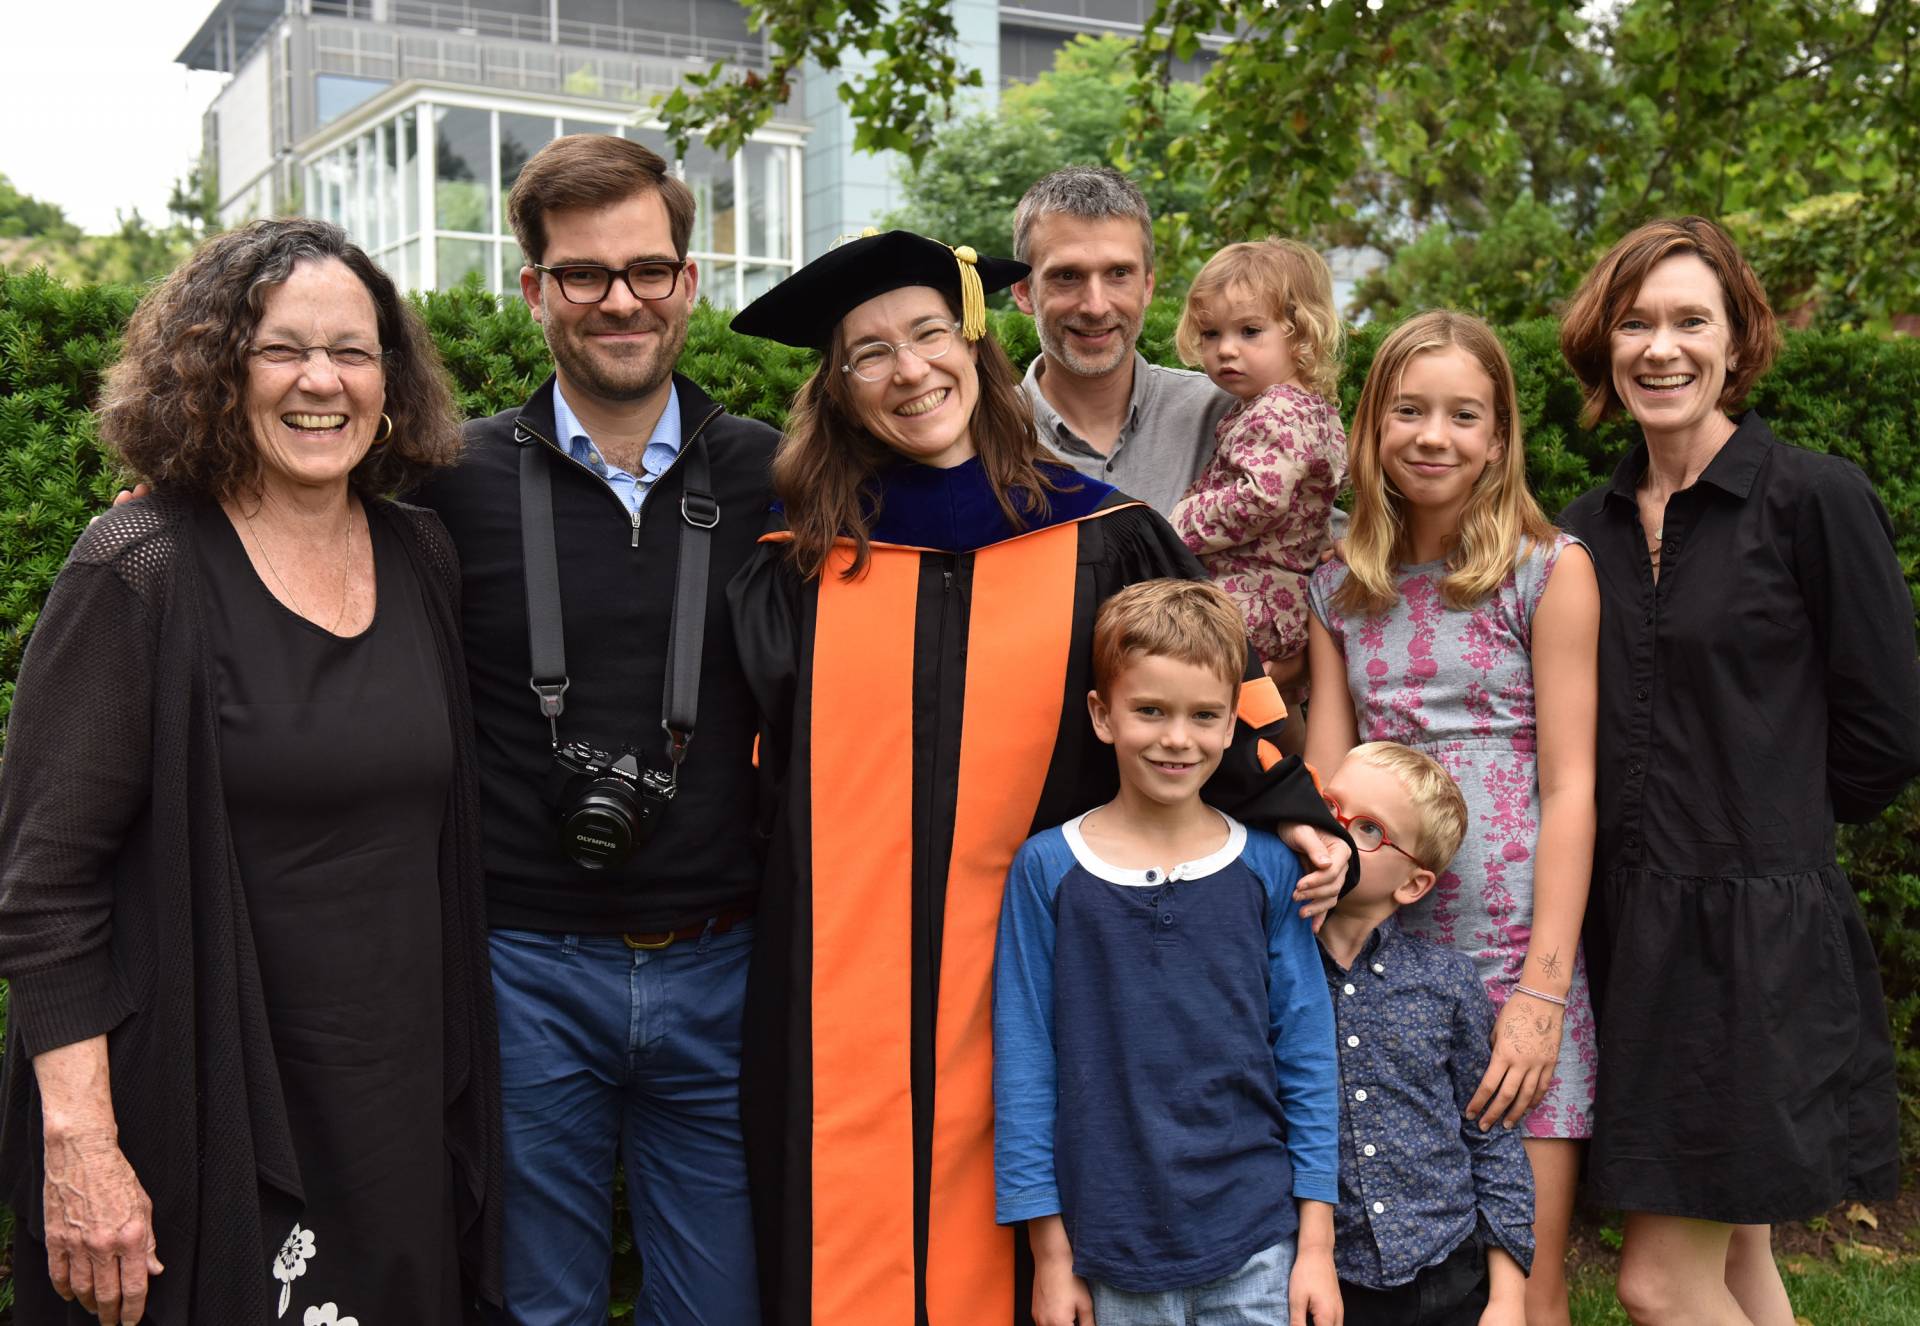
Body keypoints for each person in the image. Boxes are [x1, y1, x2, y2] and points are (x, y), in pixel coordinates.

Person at [725, 228, 1355, 1326]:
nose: (910, 370)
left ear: (974, 341)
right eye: (870, 352)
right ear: (838, 384)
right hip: (833, 985)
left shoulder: (1100, 535)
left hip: (1040, 965)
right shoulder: (799, 563)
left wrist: (1293, 808)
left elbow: (1210, 685)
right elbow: (754, 774)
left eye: (930, 334)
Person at [0, 218, 499, 1323]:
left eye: (353, 351)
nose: (322, 381)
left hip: (396, 1113)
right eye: (282, 349)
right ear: (217, 370)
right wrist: (82, 1146)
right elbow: (44, 890)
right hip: (204, 1109)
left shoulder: (421, 554)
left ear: (389, 380)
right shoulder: (139, 569)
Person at [408, 134, 778, 1325]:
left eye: (648, 269)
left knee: (723, 1310)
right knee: (536, 1309)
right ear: (534, 289)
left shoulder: (778, 475)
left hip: (725, 964)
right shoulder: (443, 478)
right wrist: (177, 505)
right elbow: (285, 522)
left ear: (689, 280)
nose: (621, 300)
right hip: (522, 970)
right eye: (583, 273)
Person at [1556, 217, 1920, 1326]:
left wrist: (1769, 834)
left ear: (1737, 340)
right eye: (1636, 323)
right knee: (1736, 1263)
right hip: (1630, 934)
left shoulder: (1814, 499)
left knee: (1660, 1285)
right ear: (1605, 345)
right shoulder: (1583, 531)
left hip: (1758, 943)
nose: (1661, 348)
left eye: (1690, 322)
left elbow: (1887, 729)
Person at [1305, 310, 1599, 1326]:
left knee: (1526, 1289)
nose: (1434, 436)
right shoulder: (1337, 587)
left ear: (1499, 434)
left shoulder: (1549, 569)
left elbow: (1570, 788)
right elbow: (1324, 790)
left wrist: (1543, 993)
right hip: (1378, 970)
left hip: (1513, 961)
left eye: (1463, 415)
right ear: (1372, 426)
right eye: (1409, 410)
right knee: (1382, 1270)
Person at [993, 578, 1343, 1326]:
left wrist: (1315, 1245)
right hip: (1110, 1250)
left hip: (1258, 1242)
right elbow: (1024, 1065)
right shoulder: (1047, 870)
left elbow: (1307, 1055)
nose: (1177, 738)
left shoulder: (1268, 869)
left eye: (1203, 716)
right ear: (1103, 715)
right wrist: (1049, 1255)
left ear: (1231, 724)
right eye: (1150, 710)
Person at [1315, 742, 1534, 1326]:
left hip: (1446, 1273)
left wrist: (1508, 1297)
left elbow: (1490, 1135)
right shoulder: (1275, 971)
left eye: (1368, 829)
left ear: (1412, 885)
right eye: (1329, 807)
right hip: (1329, 1280)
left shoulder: (1446, 982)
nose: (1336, 832)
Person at [1168, 239, 1348, 713]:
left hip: (1250, 595)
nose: (1226, 350)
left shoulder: (1276, 411)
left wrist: (1179, 522)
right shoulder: (1312, 408)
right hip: (1282, 599)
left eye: (1250, 331)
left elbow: (1261, 497)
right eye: (1211, 334)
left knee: (1159, 638)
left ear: (1301, 334)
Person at [1011, 166, 1233, 513]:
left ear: (1147, 286)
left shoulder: (1226, 414)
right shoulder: (982, 438)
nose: (1096, 306)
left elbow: (1309, 533)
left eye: (1118, 273)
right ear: (1024, 292)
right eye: (1067, 276)